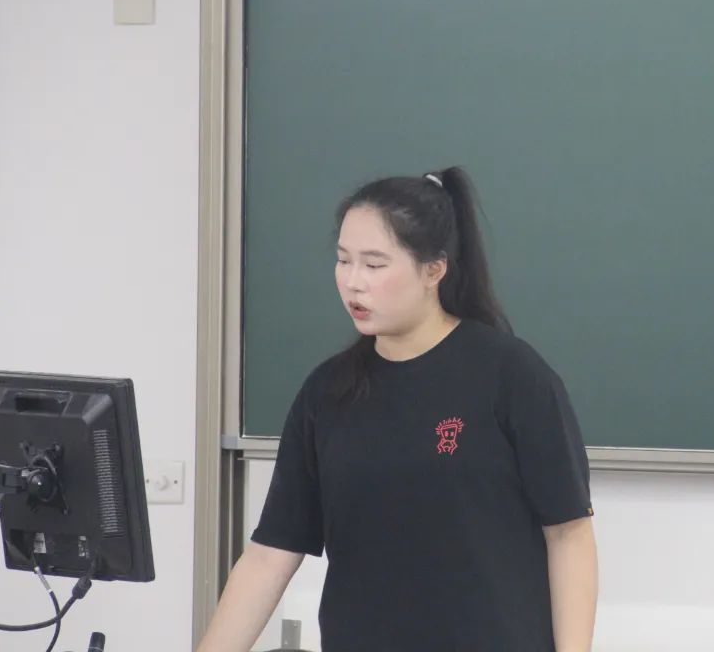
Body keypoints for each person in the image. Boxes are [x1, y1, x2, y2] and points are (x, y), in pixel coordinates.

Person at [197, 166, 598, 652]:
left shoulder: (510, 374)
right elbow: (270, 554)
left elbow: (569, 533)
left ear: (434, 270)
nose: (353, 282)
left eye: (374, 264)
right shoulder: (327, 393)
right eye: (343, 260)